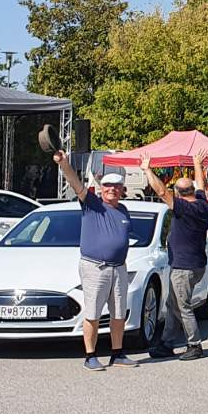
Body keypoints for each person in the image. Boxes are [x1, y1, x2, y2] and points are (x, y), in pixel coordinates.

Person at [52, 149, 139, 371]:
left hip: (118, 268)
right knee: (92, 313)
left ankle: (117, 353)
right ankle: (90, 356)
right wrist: (64, 163)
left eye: (116, 186)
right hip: (95, 267)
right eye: (108, 186)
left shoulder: (124, 211)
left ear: (122, 190)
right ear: (101, 189)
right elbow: (74, 182)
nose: (112, 190)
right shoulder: (92, 204)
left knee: (119, 314)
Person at [140, 150, 208, 361]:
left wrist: (147, 170)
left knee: (183, 307)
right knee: (173, 304)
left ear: (178, 193)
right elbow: (201, 186)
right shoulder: (202, 204)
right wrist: (197, 164)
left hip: (184, 266)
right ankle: (167, 342)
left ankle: (194, 344)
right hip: (195, 264)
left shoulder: (184, 208)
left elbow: (161, 192)